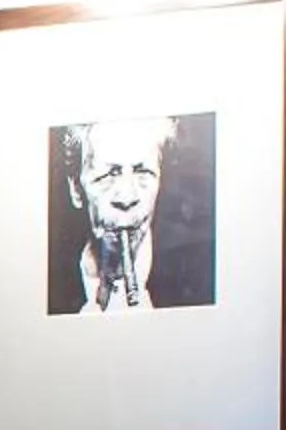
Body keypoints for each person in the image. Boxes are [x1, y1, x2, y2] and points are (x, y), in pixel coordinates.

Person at [61, 116, 213, 312]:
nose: (127, 198)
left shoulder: (198, 280)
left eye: (143, 172)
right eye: (109, 174)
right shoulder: (51, 282)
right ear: (75, 188)